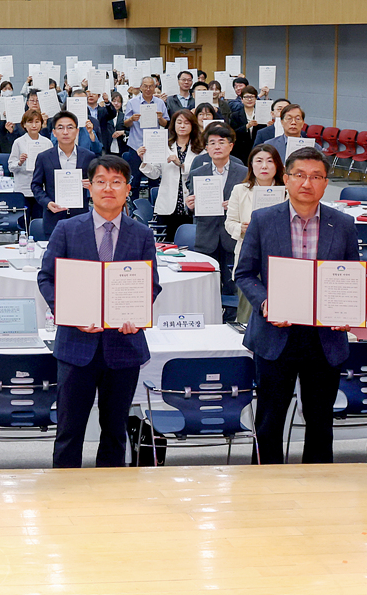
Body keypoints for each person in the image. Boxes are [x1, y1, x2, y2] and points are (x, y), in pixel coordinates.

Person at [233, 146, 360, 464]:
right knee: (269, 420)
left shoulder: (343, 224)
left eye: (316, 176)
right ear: (286, 179)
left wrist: (347, 310)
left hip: (325, 338)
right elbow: (245, 273)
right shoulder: (263, 220)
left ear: (326, 182)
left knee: (320, 422)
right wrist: (264, 302)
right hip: (276, 334)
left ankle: (317, 495)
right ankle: (263, 489)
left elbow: (350, 277)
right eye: (300, 175)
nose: (308, 183)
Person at [39, 154, 159, 468]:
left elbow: (151, 285)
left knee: (115, 431)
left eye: (116, 182)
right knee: (68, 431)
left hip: (124, 345)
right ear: (89, 187)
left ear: (128, 188)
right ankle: (65, 496)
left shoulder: (142, 234)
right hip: (76, 347)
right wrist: (68, 311)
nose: (109, 188)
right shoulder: (67, 229)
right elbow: (46, 277)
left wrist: (138, 312)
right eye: (101, 181)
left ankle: (110, 501)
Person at [186, 122, 246, 308]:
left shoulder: (243, 172)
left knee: (231, 287)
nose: (217, 147)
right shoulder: (197, 173)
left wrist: (235, 205)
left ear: (231, 145)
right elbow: (192, 203)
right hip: (206, 236)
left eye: (221, 142)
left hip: (232, 237)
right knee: (205, 288)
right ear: (206, 148)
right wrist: (191, 205)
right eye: (211, 143)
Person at [224, 144, 284, 326]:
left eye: (269, 161)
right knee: (247, 311)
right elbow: (229, 222)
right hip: (248, 256)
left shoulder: (287, 192)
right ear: (251, 165)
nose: (264, 166)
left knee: (279, 309)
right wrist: (241, 228)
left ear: (277, 165)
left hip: (280, 258)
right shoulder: (240, 190)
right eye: (259, 161)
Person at [140, 109, 204, 241]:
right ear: (173, 125)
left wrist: (180, 164)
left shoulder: (200, 148)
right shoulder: (165, 146)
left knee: (190, 244)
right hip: (168, 204)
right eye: (179, 122)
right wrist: (144, 159)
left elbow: (200, 172)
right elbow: (154, 174)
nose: (182, 126)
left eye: (186, 123)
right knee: (169, 246)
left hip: (191, 203)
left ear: (192, 125)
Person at [30, 111, 95, 240]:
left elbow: (97, 183)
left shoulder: (88, 156)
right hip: (53, 218)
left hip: (80, 217)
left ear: (77, 131)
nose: (65, 132)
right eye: (60, 128)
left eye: (70, 127)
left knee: (80, 256)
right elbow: (36, 185)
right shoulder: (43, 157)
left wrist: (91, 186)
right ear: (54, 132)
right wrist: (47, 203)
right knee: (55, 258)